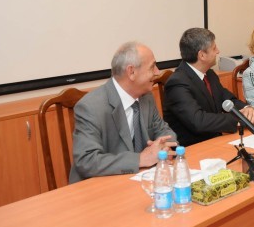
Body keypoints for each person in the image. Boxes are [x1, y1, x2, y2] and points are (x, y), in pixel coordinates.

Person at [69, 42, 177, 183]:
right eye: (152, 67)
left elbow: (165, 132)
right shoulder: (91, 107)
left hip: (137, 179)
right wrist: (140, 159)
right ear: (131, 72)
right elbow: (87, 161)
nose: (157, 72)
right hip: (99, 186)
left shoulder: (146, 96)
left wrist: (161, 148)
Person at [163, 27, 254, 146]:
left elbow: (228, 100)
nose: (218, 51)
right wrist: (240, 118)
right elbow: (199, 121)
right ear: (202, 55)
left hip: (216, 140)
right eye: (214, 48)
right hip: (194, 149)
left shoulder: (209, 74)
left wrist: (247, 108)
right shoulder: (177, 83)